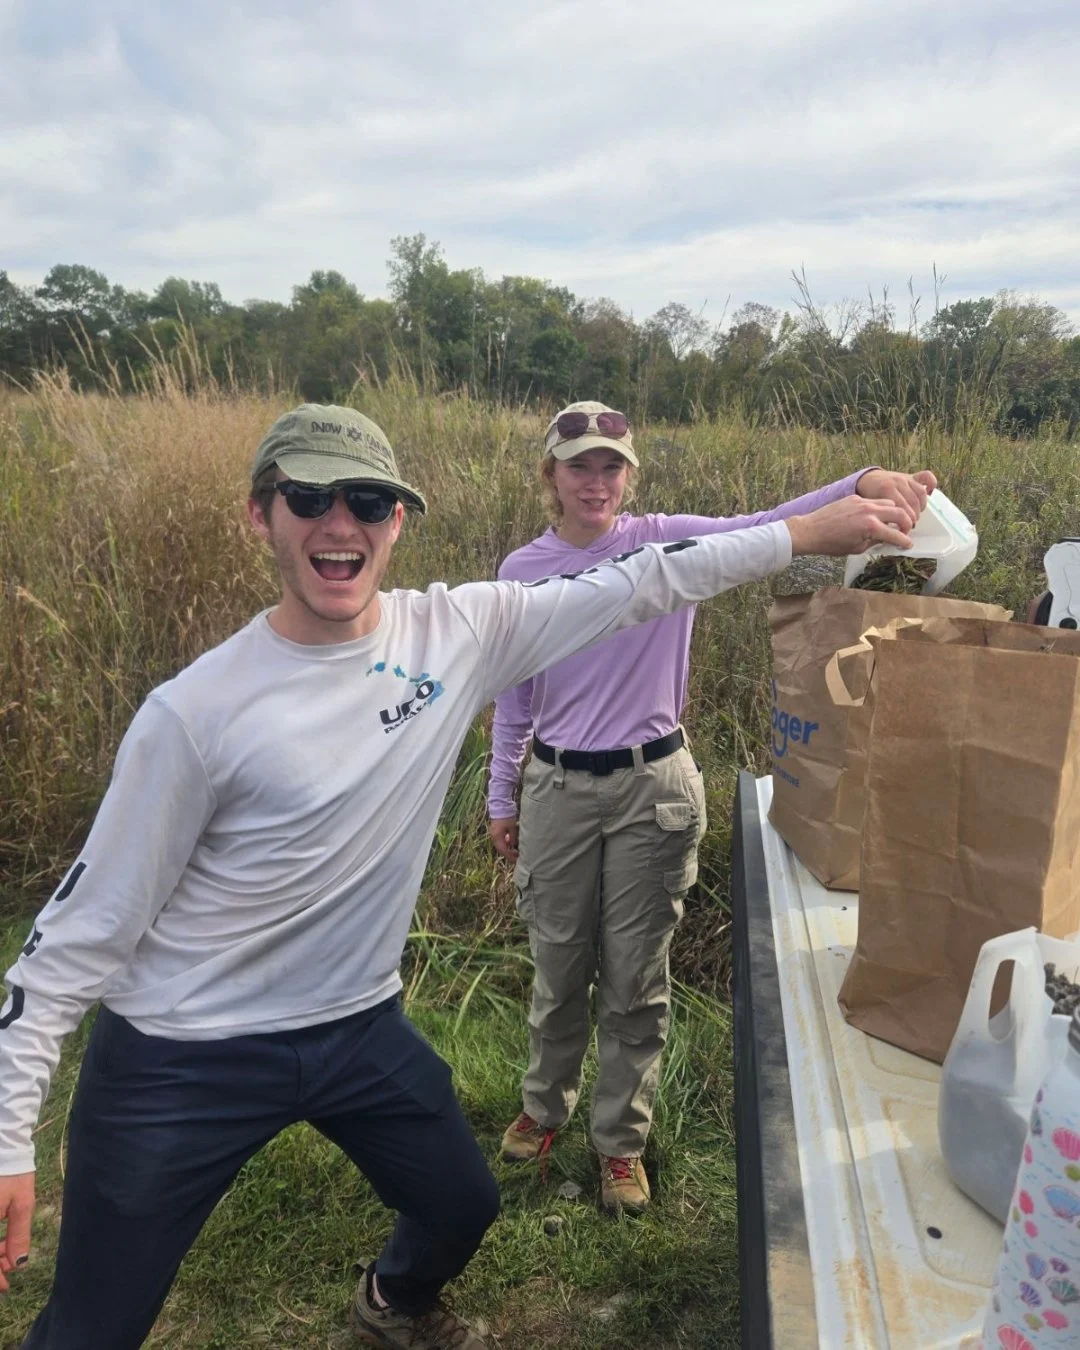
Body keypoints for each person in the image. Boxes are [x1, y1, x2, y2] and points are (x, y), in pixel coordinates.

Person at [0, 402, 916, 1350]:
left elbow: (654, 576)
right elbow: (70, 943)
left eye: (368, 500)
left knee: (462, 1203)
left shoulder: (458, 633)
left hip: (354, 1024)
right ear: (260, 514)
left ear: (399, 520)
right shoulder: (194, 714)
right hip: (185, 1049)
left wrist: (819, 522)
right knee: (91, 1327)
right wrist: (7, 1134)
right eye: (308, 497)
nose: (339, 522)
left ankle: (391, 1303)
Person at [489, 401, 937, 1214]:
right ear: (550, 475)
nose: (596, 481)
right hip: (555, 789)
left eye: (611, 466)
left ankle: (619, 1143)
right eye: (578, 465)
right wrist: (502, 792)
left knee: (635, 976)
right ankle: (541, 1108)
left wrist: (867, 481)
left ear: (631, 476)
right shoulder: (521, 571)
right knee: (558, 967)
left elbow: (772, 524)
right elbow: (515, 700)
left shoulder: (665, 542)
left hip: (651, 787)